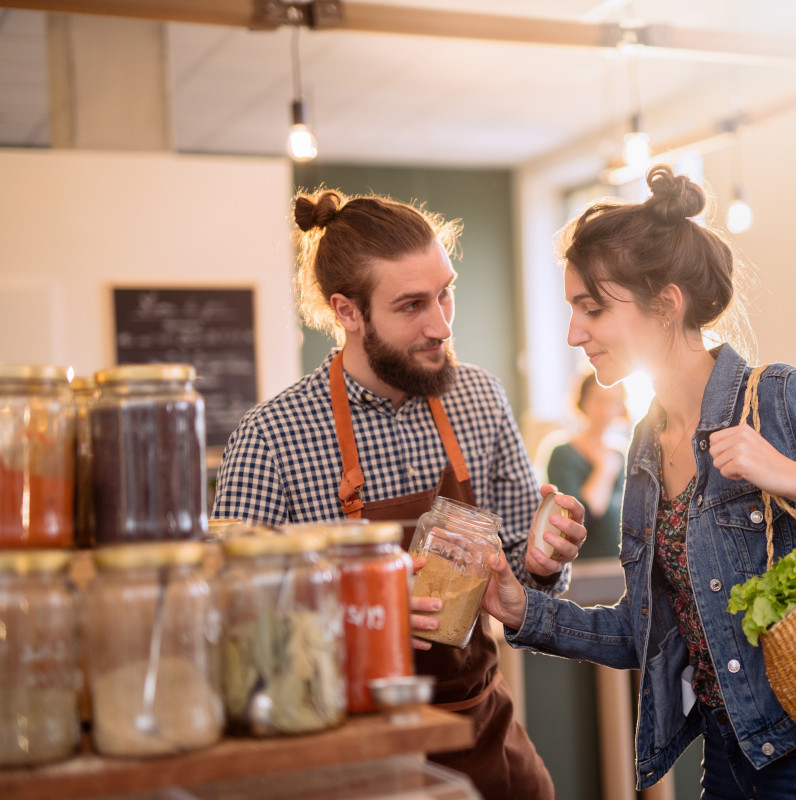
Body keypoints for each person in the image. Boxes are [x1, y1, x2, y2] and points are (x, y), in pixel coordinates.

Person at [481, 165, 796, 799]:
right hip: (729, 763)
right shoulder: (647, 446)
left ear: (667, 303)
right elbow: (650, 630)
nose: (575, 333)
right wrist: (529, 614)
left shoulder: (785, 400)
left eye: (592, 308)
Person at [211, 188, 587, 800]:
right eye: (411, 304)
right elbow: (231, 620)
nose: (440, 324)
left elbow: (521, 565)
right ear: (348, 311)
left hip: (479, 729)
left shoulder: (479, 399)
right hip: (346, 749)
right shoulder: (272, 437)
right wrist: (361, 614)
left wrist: (543, 565)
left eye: (446, 293)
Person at [544, 371, 627, 559]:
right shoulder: (563, 454)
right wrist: (603, 470)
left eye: (613, 401)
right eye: (599, 400)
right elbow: (578, 521)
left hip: (617, 564)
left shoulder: (622, 456)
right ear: (583, 401)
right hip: (581, 566)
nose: (606, 410)